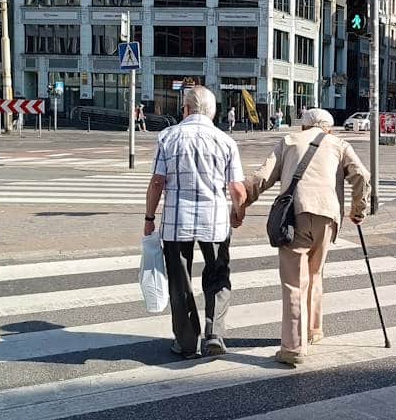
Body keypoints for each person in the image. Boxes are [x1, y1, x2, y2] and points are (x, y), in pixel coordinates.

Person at [241, 108, 370, 366]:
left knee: (293, 283)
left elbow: (261, 177)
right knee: (315, 273)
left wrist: (242, 201)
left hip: (295, 215)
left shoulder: (289, 141)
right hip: (328, 216)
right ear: (329, 128)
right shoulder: (339, 143)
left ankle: (293, 347)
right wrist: (359, 210)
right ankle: (313, 330)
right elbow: (362, 175)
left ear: (303, 126)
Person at [144, 86, 248, 359]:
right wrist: (238, 213)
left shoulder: (168, 136)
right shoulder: (225, 141)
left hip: (176, 223)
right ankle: (214, 335)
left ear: (186, 109)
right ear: (213, 112)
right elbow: (237, 189)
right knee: (218, 276)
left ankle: (187, 342)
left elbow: (157, 182)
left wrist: (149, 218)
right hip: (215, 223)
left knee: (180, 282)